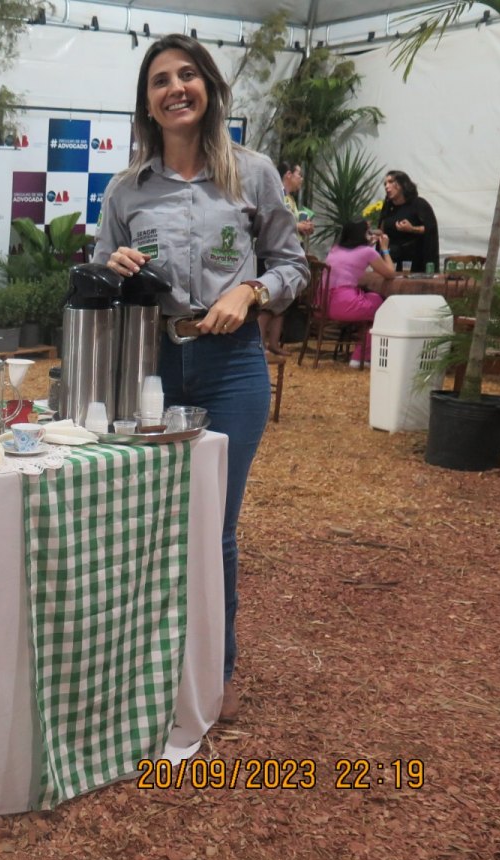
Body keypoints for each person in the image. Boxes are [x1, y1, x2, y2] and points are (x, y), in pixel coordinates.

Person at [92, 34, 308, 723]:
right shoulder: (127, 189)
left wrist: (251, 292)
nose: (175, 88)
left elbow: (292, 266)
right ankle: (145, 665)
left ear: (210, 88)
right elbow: (95, 275)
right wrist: (112, 270)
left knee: (214, 523)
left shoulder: (254, 173)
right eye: (160, 80)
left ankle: (215, 670)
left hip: (231, 367)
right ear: (147, 103)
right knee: (145, 520)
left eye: (188, 75)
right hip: (152, 365)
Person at [258, 162, 315, 354]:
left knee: (284, 298)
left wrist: (303, 227)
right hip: (275, 253)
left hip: (291, 252)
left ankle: (274, 343)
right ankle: (259, 344)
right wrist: (298, 226)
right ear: (288, 174)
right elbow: (273, 221)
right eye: (299, 175)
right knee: (269, 299)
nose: (301, 179)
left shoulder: (290, 199)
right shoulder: (277, 194)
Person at [324, 221, 398, 368]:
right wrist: (384, 249)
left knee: (374, 299)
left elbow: (352, 259)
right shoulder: (367, 252)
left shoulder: (335, 249)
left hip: (324, 303)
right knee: (383, 309)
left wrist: (367, 245)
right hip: (345, 305)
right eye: (368, 232)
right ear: (361, 234)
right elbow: (390, 273)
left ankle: (362, 353)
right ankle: (360, 356)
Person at [378, 170, 440, 273]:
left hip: (415, 261)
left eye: (391, 182)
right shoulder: (388, 207)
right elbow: (382, 229)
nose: (386, 186)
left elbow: (430, 229)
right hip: (392, 259)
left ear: (402, 184)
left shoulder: (419, 204)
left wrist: (412, 229)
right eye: (385, 184)